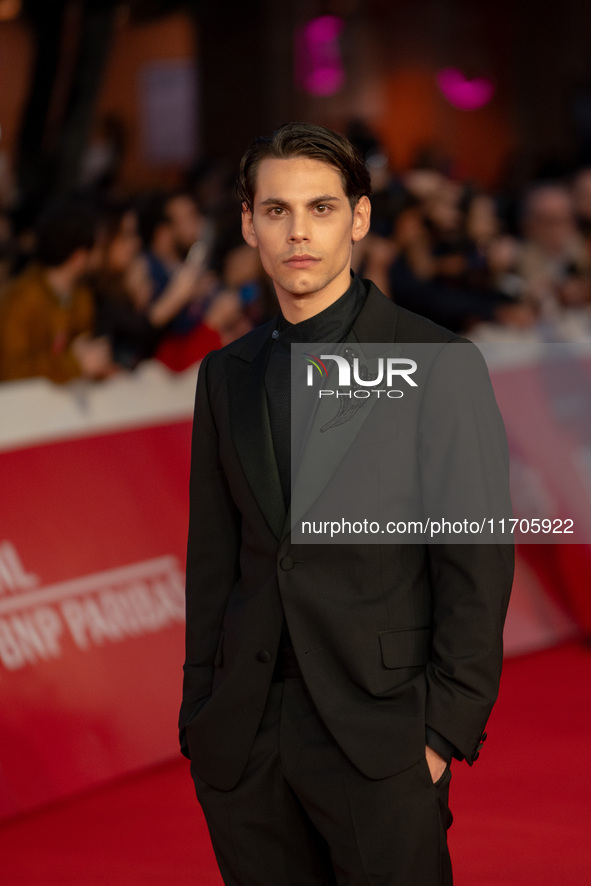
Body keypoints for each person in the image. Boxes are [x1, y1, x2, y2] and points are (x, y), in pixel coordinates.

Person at [179, 122, 514, 885]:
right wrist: (202, 711)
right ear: (248, 223)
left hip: (383, 737)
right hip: (247, 740)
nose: (298, 232)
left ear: (358, 219)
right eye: (276, 211)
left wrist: (441, 733)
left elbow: (476, 560)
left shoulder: (438, 364)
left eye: (321, 209)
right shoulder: (224, 375)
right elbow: (213, 558)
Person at [0, 199, 113, 383]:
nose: (101, 256)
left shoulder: (82, 295)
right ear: (78, 257)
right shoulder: (21, 298)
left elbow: (81, 346)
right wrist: (74, 365)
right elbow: (10, 372)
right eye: (97, 247)